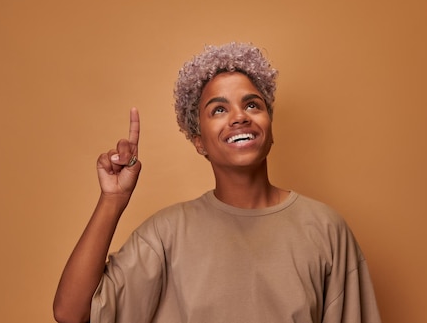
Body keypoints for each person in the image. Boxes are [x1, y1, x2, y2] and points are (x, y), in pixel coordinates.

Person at [53, 43, 381, 323]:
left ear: (269, 124)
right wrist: (113, 199)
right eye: (219, 109)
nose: (239, 116)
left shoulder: (325, 229)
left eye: (252, 104)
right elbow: (72, 313)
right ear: (199, 142)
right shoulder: (167, 234)